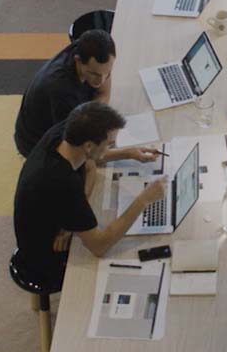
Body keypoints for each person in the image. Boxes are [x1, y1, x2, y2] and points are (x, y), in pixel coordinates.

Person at [12, 102, 166, 287]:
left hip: (43, 221)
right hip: (43, 260)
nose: (112, 146)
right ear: (88, 145)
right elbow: (99, 246)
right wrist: (143, 200)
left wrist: (129, 153)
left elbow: (90, 163)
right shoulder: (62, 183)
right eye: (109, 144)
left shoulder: (64, 133)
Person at [14, 29, 116, 157]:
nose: (101, 80)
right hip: (35, 144)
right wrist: (128, 154)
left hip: (63, 120)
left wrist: (95, 119)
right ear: (78, 60)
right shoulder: (61, 91)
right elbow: (77, 150)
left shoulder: (90, 48)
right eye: (94, 74)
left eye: (107, 73)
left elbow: (103, 93)